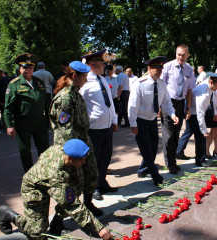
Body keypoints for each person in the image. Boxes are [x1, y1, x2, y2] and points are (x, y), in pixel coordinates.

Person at [0, 139, 113, 240]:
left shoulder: (63, 151)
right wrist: (99, 228)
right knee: (37, 233)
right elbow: (72, 205)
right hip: (34, 189)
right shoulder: (56, 176)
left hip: (49, 182)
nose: (84, 162)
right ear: (69, 158)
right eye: (81, 159)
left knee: (74, 189)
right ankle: (8, 214)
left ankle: (56, 224)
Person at [50, 60, 103, 218]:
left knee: (91, 174)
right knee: (70, 183)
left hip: (83, 142)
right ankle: (58, 220)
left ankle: (88, 203)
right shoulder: (65, 98)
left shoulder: (76, 93)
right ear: (74, 75)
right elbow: (65, 130)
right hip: (72, 148)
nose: (86, 79)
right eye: (84, 76)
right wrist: (75, 154)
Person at [128, 56, 179, 186]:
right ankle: (156, 177)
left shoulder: (162, 84)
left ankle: (143, 170)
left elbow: (167, 102)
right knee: (146, 149)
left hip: (152, 121)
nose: (160, 70)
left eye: (161, 67)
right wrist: (133, 124)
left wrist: (173, 114)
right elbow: (133, 105)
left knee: (154, 148)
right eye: (157, 67)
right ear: (149, 68)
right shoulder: (139, 83)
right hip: (141, 121)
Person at [80, 50, 119, 200]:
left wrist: (114, 120)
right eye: (101, 62)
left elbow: (110, 102)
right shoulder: (85, 82)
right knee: (94, 160)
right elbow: (80, 104)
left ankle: (102, 182)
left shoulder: (102, 79)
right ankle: (93, 187)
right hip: (94, 128)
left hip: (107, 126)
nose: (104, 65)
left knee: (106, 156)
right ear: (92, 64)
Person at [4, 53, 49, 172]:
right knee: (25, 150)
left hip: (40, 121)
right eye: (24, 66)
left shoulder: (39, 83)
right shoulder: (14, 84)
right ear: (20, 68)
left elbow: (46, 103)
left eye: (30, 67)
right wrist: (9, 125)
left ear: (33, 68)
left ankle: (43, 172)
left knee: (44, 149)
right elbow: (8, 107)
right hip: (23, 122)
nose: (27, 69)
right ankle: (29, 174)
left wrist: (49, 119)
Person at [161, 44, 195, 174]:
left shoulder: (189, 70)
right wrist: (159, 106)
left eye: (183, 55)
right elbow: (161, 87)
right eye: (178, 54)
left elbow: (190, 90)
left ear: (187, 55)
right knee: (168, 135)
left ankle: (173, 160)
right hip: (168, 103)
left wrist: (188, 108)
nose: (181, 57)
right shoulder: (168, 67)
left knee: (176, 134)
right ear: (176, 54)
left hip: (181, 105)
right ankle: (169, 163)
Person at [188, 72, 217, 166]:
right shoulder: (203, 93)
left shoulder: (208, 87)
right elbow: (200, 113)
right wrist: (204, 130)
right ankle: (200, 160)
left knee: (200, 138)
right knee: (201, 138)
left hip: (197, 114)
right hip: (194, 115)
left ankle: (201, 159)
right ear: (211, 82)